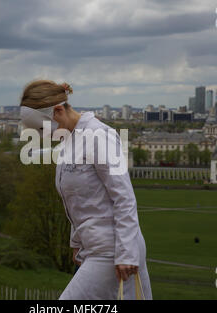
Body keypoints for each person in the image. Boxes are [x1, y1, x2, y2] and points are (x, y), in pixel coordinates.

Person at [20, 80, 152, 300]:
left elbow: (124, 198)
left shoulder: (99, 136)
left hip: (114, 249)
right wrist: (77, 242)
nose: (42, 135)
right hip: (95, 247)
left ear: (59, 110)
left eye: (42, 128)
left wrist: (127, 253)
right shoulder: (69, 143)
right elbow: (79, 200)